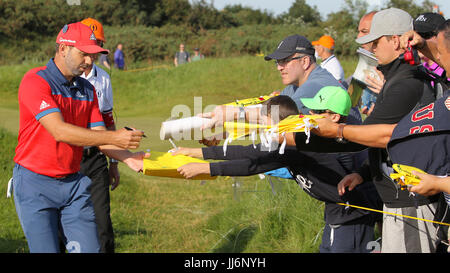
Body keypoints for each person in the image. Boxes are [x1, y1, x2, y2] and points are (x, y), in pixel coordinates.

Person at [286, 8, 443, 253]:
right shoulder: (398, 78)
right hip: (398, 198)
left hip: (409, 201)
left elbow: (371, 137)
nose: (370, 49)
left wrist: (307, 137)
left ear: (396, 40)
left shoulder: (406, 83)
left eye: (375, 42)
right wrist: (364, 172)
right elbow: (397, 144)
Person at [176, 90, 380, 253]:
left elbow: (253, 163)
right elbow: (248, 151)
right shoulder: (294, 137)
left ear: (335, 117)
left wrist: (206, 168)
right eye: (309, 110)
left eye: (317, 112)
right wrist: (197, 152)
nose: (310, 115)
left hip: (352, 214)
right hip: (336, 212)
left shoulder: (298, 142)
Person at [12, 22, 148, 253]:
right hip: (35, 185)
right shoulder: (35, 80)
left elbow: (99, 137)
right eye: (84, 54)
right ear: (63, 48)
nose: (89, 62)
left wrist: (129, 158)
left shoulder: (88, 89)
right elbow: (59, 131)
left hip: (73, 185)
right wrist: (116, 138)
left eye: (93, 55)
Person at [80, 18, 117, 253]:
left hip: (96, 158)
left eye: (97, 45)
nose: (91, 54)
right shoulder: (61, 76)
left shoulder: (103, 78)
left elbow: (109, 121)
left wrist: (114, 162)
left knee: (103, 222)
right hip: (69, 157)